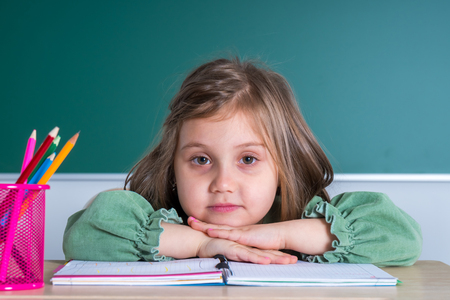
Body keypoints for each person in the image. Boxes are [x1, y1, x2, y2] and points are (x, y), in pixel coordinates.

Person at [63, 57, 422, 267]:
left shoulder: (302, 215)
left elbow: (402, 237)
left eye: (248, 159)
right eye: (201, 159)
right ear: (173, 167)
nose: (223, 183)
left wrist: (278, 234)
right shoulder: (154, 221)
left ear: (283, 168)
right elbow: (83, 235)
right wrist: (201, 245)